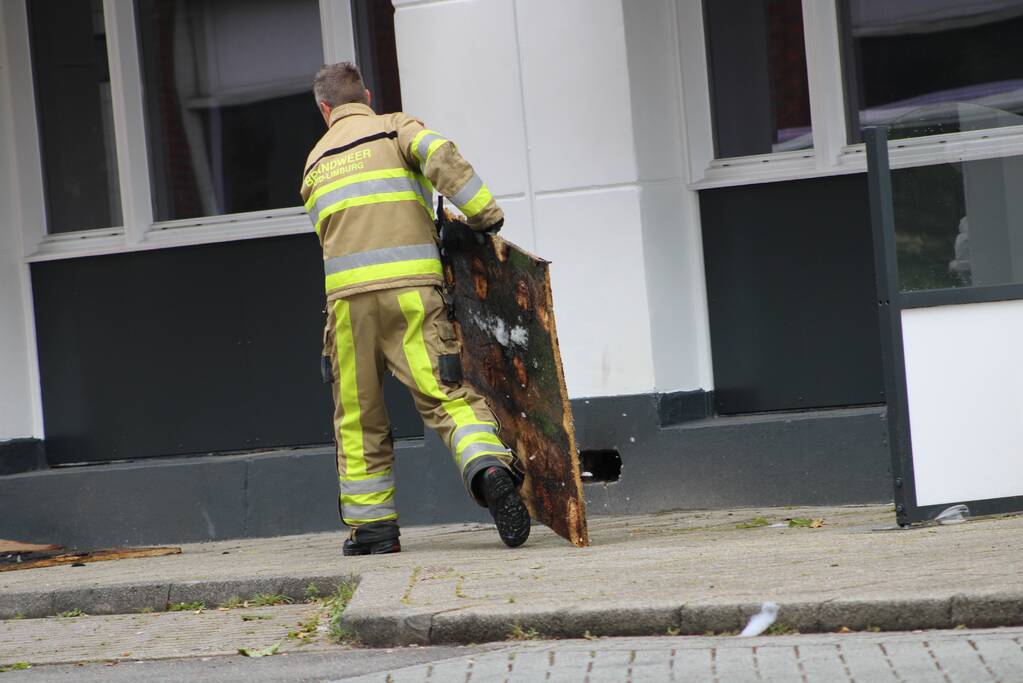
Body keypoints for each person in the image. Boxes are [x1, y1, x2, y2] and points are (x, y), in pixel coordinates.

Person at [300, 62, 530, 556]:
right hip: (411, 295)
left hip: (346, 310)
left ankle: (374, 530)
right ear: (367, 94)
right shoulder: (396, 127)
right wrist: (485, 217)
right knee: (444, 397)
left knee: (358, 418)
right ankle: (489, 468)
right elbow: (440, 155)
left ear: (325, 109)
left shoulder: (314, 163)